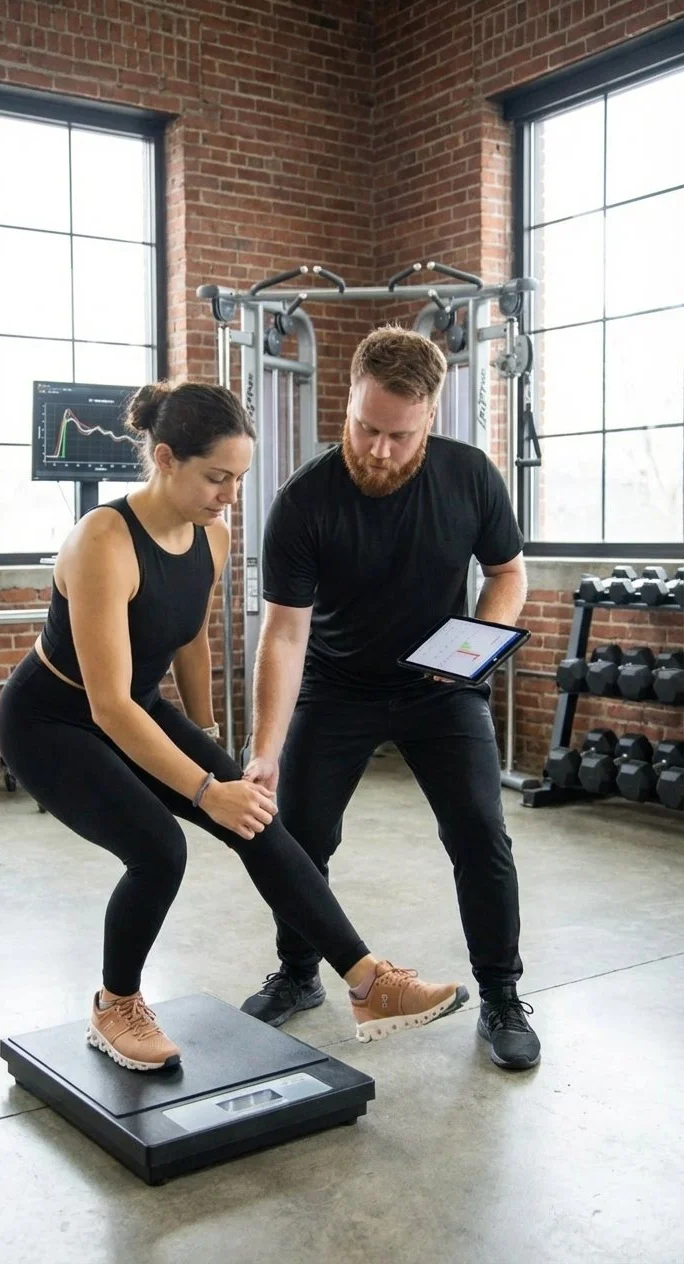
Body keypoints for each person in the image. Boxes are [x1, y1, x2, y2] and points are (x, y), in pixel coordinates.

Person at [0, 380, 468, 1073]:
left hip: (135, 708)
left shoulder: (209, 536)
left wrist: (210, 741)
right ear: (164, 458)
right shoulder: (103, 540)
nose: (229, 496)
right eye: (216, 477)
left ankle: (370, 983)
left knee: (255, 818)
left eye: (239, 479)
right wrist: (201, 788)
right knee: (159, 851)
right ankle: (115, 1004)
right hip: (54, 720)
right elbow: (109, 707)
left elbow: (189, 639)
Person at [240, 327, 541, 1072]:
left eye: (398, 435)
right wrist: (265, 752)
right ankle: (300, 972)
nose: (378, 449)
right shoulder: (305, 501)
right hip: (337, 686)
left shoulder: (470, 476)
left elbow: (507, 574)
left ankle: (501, 994)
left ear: (430, 417)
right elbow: (282, 636)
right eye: (366, 427)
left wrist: (477, 642)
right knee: (299, 836)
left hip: (440, 689)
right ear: (349, 402)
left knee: (479, 833)